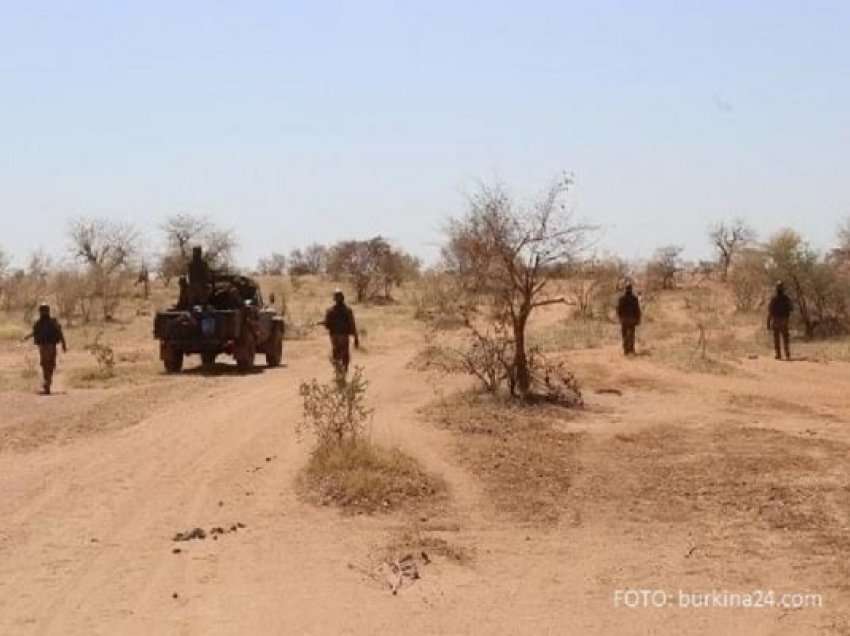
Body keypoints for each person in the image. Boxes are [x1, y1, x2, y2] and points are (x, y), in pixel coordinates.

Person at [23, 303, 67, 394]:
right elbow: (60, 333)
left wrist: (63, 344)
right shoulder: (49, 322)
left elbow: (35, 333)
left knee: (46, 364)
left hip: (45, 346)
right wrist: (63, 344)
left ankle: (47, 383)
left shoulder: (42, 322)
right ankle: (47, 383)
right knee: (48, 364)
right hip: (48, 346)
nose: (43, 312)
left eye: (43, 311)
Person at [320, 290, 359, 374]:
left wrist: (323, 323)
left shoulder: (330, 310)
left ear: (334, 299)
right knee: (345, 354)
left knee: (336, 353)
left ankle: (338, 371)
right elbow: (352, 324)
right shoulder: (348, 310)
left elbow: (327, 325)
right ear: (343, 298)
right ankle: (344, 371)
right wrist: (356, 337)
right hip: (343, 336)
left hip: (334, 336)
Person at [767, 282, 793, 360]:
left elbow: (770, 311)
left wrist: (768, 322)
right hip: (784, 320)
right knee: (785, 338)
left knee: (776, 338)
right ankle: (787, 354)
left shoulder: (774, 299)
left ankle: (778, 355)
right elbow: (791, 308)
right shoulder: (786, 298)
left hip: (776, 320)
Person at [616, 282, 642, 356]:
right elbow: (637, 310)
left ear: (625, 289)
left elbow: (619, 309)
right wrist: (638, 319)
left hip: (624, 319)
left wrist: (620, 317)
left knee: (624, 335)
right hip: (632, 319)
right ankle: (631, 349)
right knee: (632, 334)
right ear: (631, 289)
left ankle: (626, 350)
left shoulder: (621, 298)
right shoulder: (634, 298)